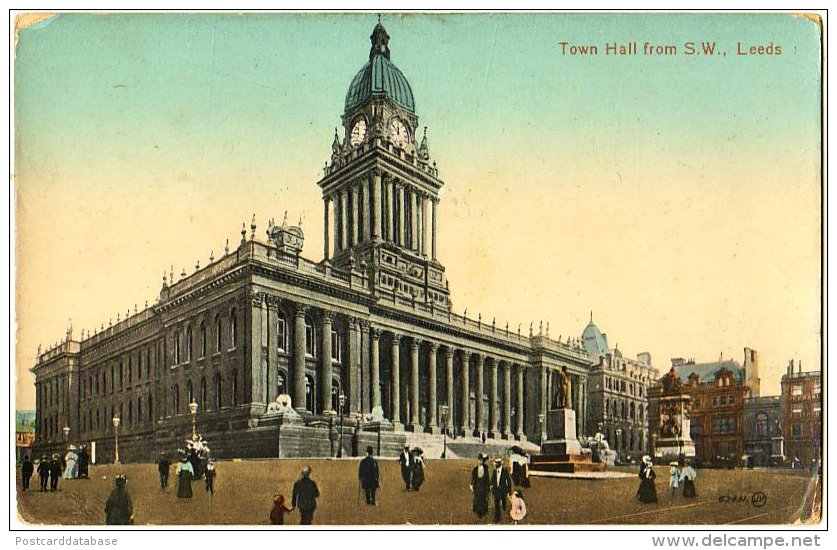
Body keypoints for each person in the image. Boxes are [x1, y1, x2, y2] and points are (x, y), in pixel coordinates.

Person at [490, 457, 513, 523]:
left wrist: (509, 492)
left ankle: (504, 512)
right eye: (495, 464)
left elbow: (508, 482)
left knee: (503, 503)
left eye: (497, 464)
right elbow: (492, 480)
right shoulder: (494, 471)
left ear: (500, 464)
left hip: (503, 490)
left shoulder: (505, 471)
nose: (496, 465)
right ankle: (497, 517)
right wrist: (491, 486)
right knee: (496, 504)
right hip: (496, 490)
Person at [470, 453, 490, 519]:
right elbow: (473, 478)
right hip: (477, 485)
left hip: (483, 485)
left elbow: (487, 477)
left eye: (481, 460)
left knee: (483, 498)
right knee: (477, 499)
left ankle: (483, 511)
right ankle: (478, 512)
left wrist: (488, 486)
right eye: (479, 460)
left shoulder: (486, 468)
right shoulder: (475, 469)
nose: (480, 462)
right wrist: (471, 484)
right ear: (478, 460)